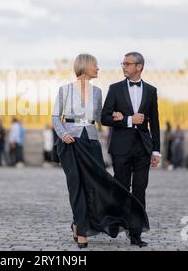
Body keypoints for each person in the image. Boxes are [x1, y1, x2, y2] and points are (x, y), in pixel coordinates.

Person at [53, 53, 149, 249]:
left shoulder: (97, 92)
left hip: (92, 143)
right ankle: (81, 231)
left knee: (94, 186)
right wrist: (63, 135)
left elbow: (99, 117)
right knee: (76, 186)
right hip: (70, 143)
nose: (98, 69)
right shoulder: (64, 90)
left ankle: (79, 223)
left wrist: (116, 115)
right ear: (85, 66)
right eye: (95, 65)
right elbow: (55, 117)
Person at [101, 51, 160, 247]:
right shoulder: (115, 88)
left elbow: (156, 124)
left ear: (139, 67)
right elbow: (104, 117)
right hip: (121, 147)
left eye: (127, 63)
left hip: (143, 147)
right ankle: (116, 221)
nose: (124, 66)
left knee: (140, 190)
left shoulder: (151, 91)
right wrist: (128, 120)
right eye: (123, 63)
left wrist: (156, 151)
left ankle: (136, 233)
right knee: (121, 188)